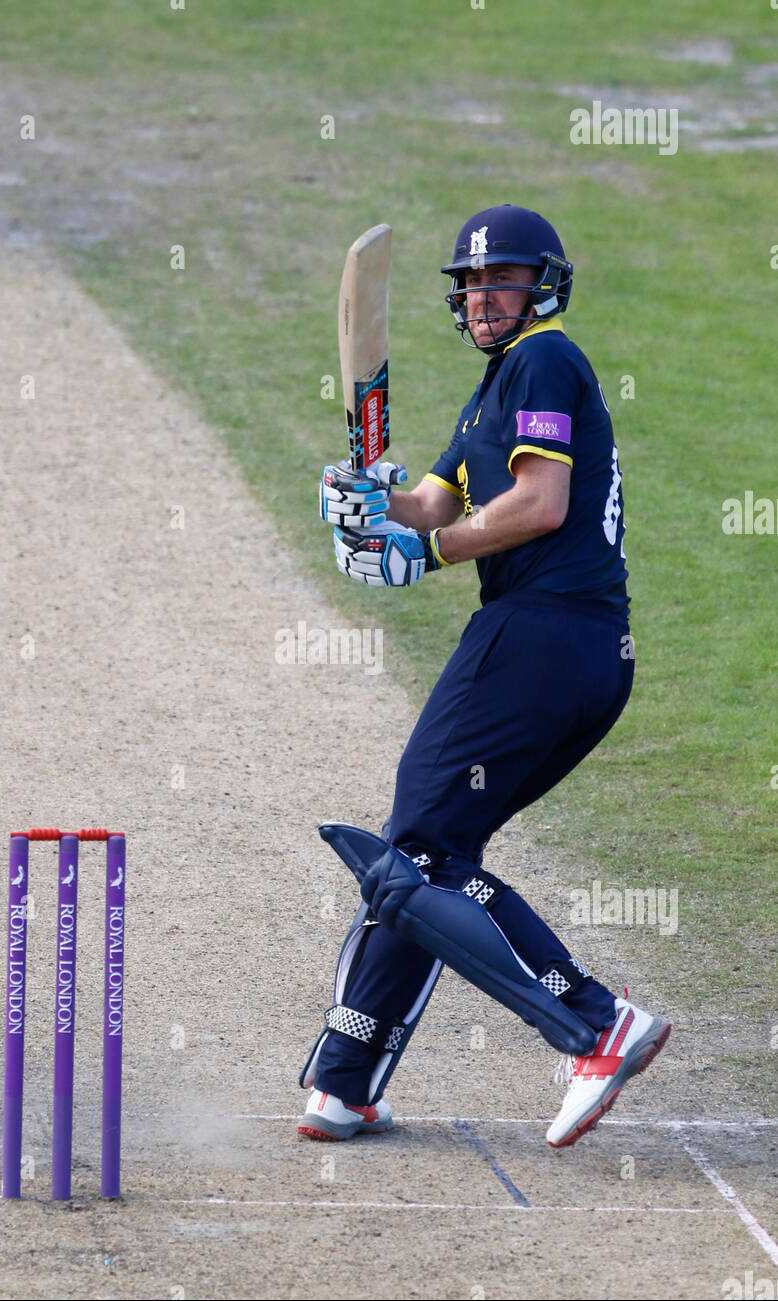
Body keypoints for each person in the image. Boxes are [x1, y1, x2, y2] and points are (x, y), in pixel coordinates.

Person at [299, 204, 670, 1149]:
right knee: (423, 856)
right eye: (470, 284)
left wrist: (422, 559)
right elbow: (436, 500)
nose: (482, 297)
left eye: (501, 280)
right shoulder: (492, 392)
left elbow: (539, 506)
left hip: (541, 638)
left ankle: (595, 1023)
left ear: (542, 284)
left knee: (417, 849)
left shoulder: (547, 358)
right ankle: (345, 1081)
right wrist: (373, 499)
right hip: (577, 656)